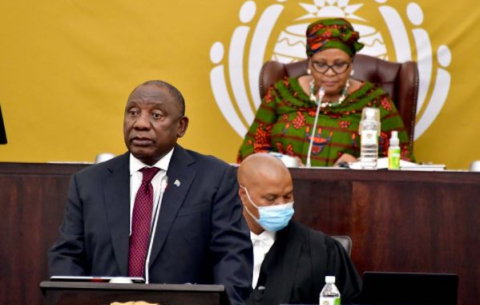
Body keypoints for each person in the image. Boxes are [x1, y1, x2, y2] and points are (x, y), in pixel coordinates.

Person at [48, 80, 253, 305]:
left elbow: (231, 257)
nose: (140, 124)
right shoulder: (88, 183)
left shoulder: (213, 178)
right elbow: (68, 256)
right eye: (133, 112)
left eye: (156, 115)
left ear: (181, 127)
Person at [238, 18, 414, 166]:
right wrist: (282, 163)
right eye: (320, 64)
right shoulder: (282, 94)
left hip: (354, 198)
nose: (330, 73)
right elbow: (249, 153)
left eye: (339, 64)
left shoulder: (374, 101)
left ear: (352, 64)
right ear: (309, 63)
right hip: (284, 194)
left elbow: (403, 161)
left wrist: (357, 165)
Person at [237, 153, 362, 305]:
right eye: (271, 198)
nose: (281, 205)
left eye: (288, 197)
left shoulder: (321, 250)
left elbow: (353, 300)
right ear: (244, 195)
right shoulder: (216, 247)